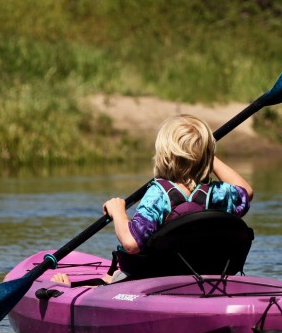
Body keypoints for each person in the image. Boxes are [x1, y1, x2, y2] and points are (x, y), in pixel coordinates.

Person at [52, 114, 253, 285]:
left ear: (163, 155)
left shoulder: (158, 195)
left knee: (110, 279)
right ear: (208, 156)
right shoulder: (218, 193)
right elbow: (246, 191)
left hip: (153, 279)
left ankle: (77, 285)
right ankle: (109, 277)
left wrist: (118, 211)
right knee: (111, 275)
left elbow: (131, 243)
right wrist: (205, 156)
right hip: (204, 275)